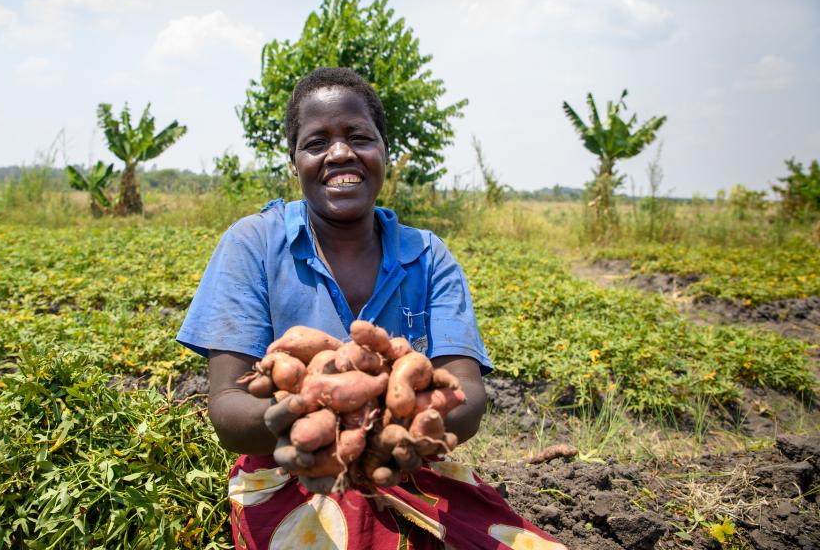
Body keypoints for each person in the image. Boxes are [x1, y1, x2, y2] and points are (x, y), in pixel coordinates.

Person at [177, 67, 564, 550]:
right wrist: (302, 415)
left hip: (412, 467)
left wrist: (397, 427)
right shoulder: (253, 243)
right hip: (289, 473)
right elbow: (228, 408)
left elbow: (468, 393)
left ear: (384, 152)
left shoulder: (428, 256)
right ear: (295, 162)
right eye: (316, 143)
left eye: (359, 137)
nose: (340, 153)